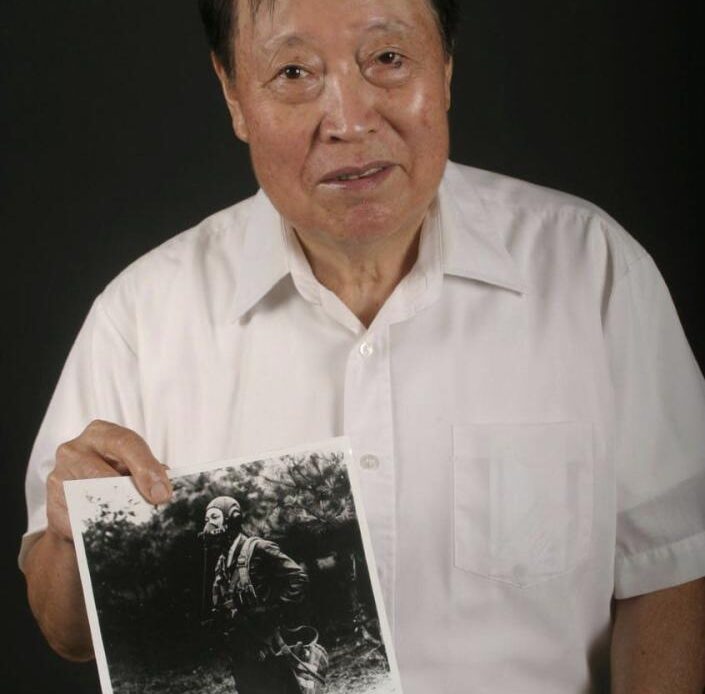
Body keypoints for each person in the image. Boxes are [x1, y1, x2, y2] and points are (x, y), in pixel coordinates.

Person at [20, 0, 705, 692]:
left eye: (386, 60)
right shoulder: (141, 316)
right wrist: (72, 535)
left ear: (444, 69)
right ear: (232, 94)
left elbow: (669, 572)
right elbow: (65, 632)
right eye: (293, 71)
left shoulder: (593, 271)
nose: (348, 121)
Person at [200, 496, 308, 694]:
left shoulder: (258, 548)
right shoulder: (221, 563)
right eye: (207, 519)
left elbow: (298, 577)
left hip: (266, 643)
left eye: (215, 517)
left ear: (232, 518)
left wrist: (275, 610)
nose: (209, 524)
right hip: (241, 650)